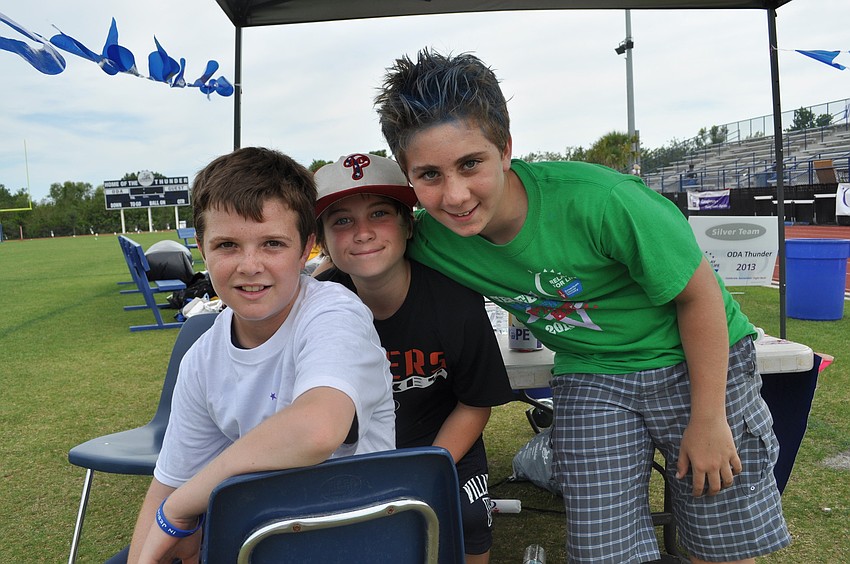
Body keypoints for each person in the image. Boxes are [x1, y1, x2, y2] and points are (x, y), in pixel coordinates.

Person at [374, 49, 791, 564]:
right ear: (409, 177)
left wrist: (708, 420)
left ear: (505, 148)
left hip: (694, 360)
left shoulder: (603, 200)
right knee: (604, 552)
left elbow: (699, 296)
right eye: (430, 175)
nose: (455, 195)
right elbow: (364, 258)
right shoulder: (432, 238)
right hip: (593, 374)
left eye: (470, 164)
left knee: (718, 541)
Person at [119, 147, 396, 564]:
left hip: (352, 535)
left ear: (307, 249)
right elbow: (169, 483)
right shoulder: (202, 359)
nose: (249, 266)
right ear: (201, 248)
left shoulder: (334, 313)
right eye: (227, 245)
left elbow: (318, 430)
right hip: (261, 533)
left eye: (272, 244)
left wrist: (182, 507)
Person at [312, 153, 515, 564]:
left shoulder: (453, 300)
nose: (363, 233)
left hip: (440, 446)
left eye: (380, 213)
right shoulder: (316, 307)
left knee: (468, 515)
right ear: (323, 239)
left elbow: (476, 402)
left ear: (408, 223)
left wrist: (426, 468)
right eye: (342, 220)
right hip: (353, 452)